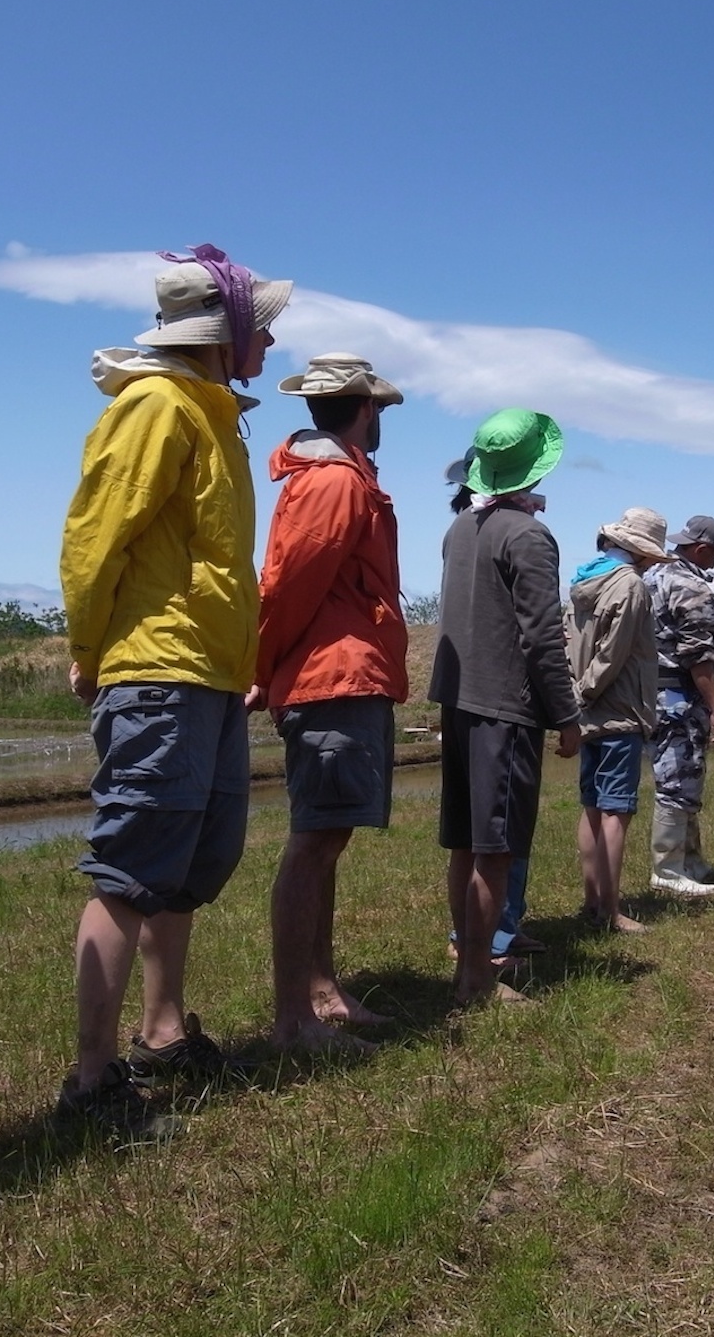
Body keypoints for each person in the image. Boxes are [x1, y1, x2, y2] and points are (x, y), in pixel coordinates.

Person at [59, 246, 292, 1126]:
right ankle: (89, 1081)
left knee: (190, 867)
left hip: (207, 675)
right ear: (223, 331)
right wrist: (91, 649)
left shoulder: (209, 413)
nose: (269, 342)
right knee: (129, 869)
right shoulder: (157, 408)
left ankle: (160, 1035)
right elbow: (94, 538)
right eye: (260, 326)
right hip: (159, 671)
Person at [257, 353, 407, 1056]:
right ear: (364, 408)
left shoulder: (344, 478)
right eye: (380, 408)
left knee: (328, 840)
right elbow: (288, 586)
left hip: (345, 673)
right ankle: (295, 1019)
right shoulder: (338, 484)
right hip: (331, 678)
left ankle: (322, 991)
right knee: (314, 843)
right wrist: (261, 666)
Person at [430, 410, 580, 1005]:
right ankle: (476, 978)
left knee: (468, 842)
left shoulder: (459, 528)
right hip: (505, 706)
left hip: (460, 699)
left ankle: (469, 963)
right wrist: (566, 715)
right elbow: (543, 635)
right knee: (495, 849)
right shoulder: (529, 535)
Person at [568, 508, 672, 931]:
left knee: (593, 806)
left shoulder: (583, 580)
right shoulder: (630, 586)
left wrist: (576, 696)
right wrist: (587, 690)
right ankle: (610, 911)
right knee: (615, 810)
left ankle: (593, 900)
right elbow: (614, 653)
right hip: (620, 709)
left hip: (589, 714)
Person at [645, 514, 714, 897]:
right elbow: (697, 656)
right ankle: (668, 868)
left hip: (649, 693)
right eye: (713, 555)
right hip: (680, 695)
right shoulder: (693, 588)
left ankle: (691, 860)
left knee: (681, 776)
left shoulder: (650, 577)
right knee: (679, 778)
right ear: (700, 549)